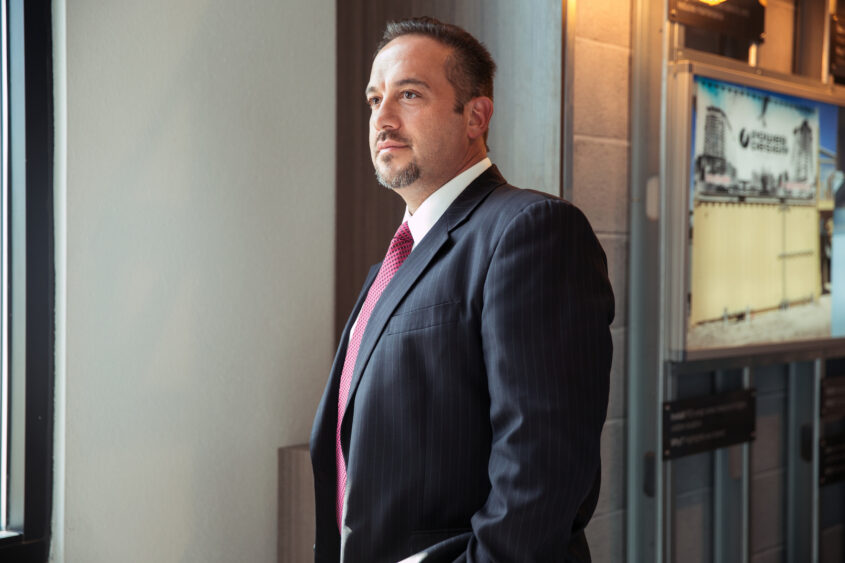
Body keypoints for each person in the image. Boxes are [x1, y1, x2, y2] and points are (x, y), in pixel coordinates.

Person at [310, 17, 614, 563]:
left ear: (475, 116)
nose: (383, 118)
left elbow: (542, 473)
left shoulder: (531, 230)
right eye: (375, 99)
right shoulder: (389, 267)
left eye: (409, 94)